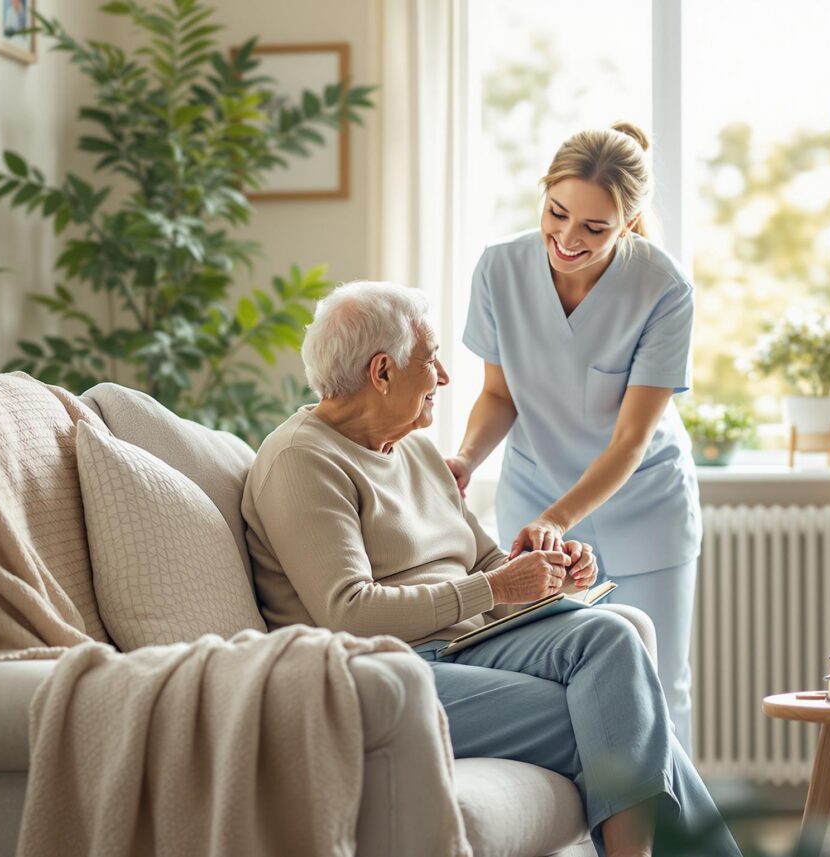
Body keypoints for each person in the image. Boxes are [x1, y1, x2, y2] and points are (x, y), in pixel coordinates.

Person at [243, 282, 740, 857]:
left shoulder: (418, 451)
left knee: (612, 637)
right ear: (382, 372)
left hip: (466, 644)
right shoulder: (301, 461)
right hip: (379, 669)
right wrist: (495, 585)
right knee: (605, 714)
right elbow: (349, 612)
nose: (445, 378)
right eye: (430, 359)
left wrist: (544, 574)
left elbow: (482, 564)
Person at [447, 123, 703, 753]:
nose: (567, 239)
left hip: (642, 504)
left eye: (594, 228)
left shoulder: (662, 289)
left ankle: (668, 844)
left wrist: (557, 517)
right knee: (548, 681)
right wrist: (465, 459)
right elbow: (500, 396)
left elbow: (629, 442)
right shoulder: (499, 269)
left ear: (629, 220)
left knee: (655, 684)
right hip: (533, 500)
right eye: (557, 214)